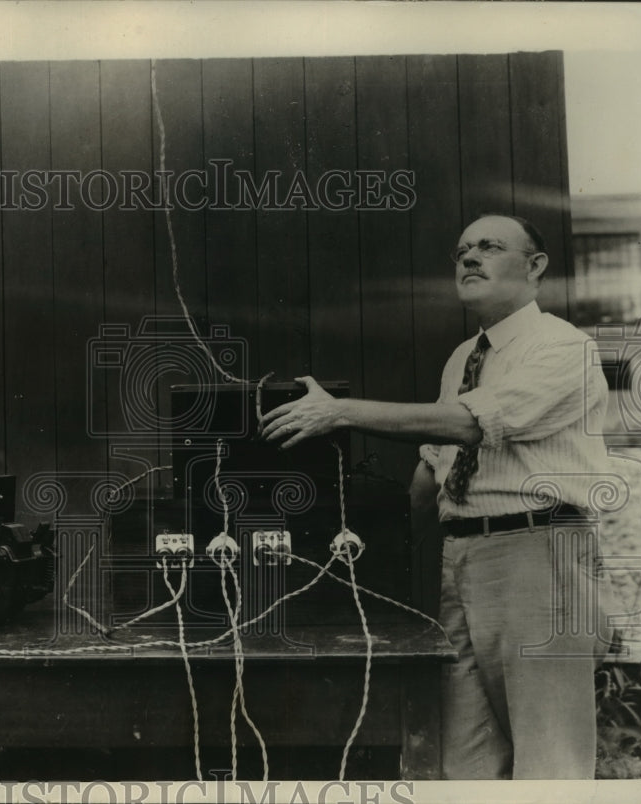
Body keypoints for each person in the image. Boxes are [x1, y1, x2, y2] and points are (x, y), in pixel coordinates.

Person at [260, 213, 616, 780]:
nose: (470, 258)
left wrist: (340, 412)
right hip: (462, 561)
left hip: (540, 558)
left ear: (535, 265)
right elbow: (437, 469)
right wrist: (369, 555)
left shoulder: (564, 347)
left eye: (490, 247)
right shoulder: (462, 358)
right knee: (461, 760)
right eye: (462, 251)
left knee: (551, 764)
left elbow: (469, 426)